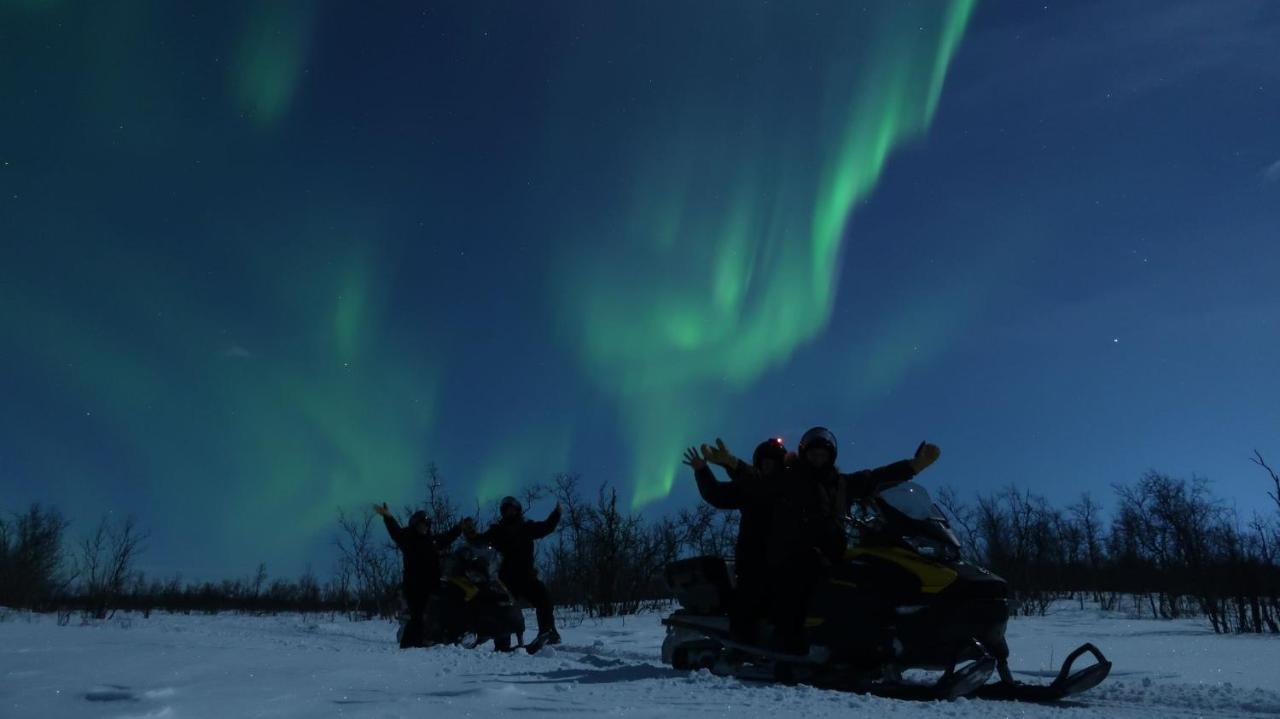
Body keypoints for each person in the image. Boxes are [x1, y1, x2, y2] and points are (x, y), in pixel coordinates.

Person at [702, 427, 941, 655]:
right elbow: (759, 481)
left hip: (832, 553)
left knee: (871, 573)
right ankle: (789, 642)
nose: (818, 458)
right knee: (802, 575)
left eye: (822, 454)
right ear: (805, 454)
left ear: (830, 456)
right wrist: (732, 463)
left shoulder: (841, 483)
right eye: (813, 453)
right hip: (793, 555)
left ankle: (875, 640)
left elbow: (875, 478)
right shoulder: (790, 478)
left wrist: (914, 466)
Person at [682, 437, 788, 643]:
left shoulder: (789, 487)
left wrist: (731, 463)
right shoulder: (750, 487)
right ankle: (740, 648)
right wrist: (702, 470)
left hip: (785, 559)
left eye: (773, 462)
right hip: (753, 559)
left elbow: (764, 483)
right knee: (747, 605)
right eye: (764, 462)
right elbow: (717, 494)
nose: (768, 467)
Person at [462, 496, 562, 649]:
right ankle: (502, 643)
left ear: (518, 510)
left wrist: (556, 514)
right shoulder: (497, 530)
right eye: (506, 510)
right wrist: (469, 533)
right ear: (503, 512)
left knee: (544, 598)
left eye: (512, 509)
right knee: (502, 609)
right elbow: (479, 541)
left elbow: (546, 527)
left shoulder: (527, 527)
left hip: (527, 576)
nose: (509, 512)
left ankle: (548, 632)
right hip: (506, 579)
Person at [374, 503, 462, 648]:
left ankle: (442, 637)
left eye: (426, 525)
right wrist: (388, 516)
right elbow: (395, 531)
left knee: (445, 607)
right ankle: (408, 645)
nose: (424, 527)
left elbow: (447, 538)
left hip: (433, 584)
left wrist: (458, 528)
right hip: (414, 586)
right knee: (418, 616)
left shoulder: (432, 540)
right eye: (421, 525)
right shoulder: (407, 539)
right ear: (415, 525)